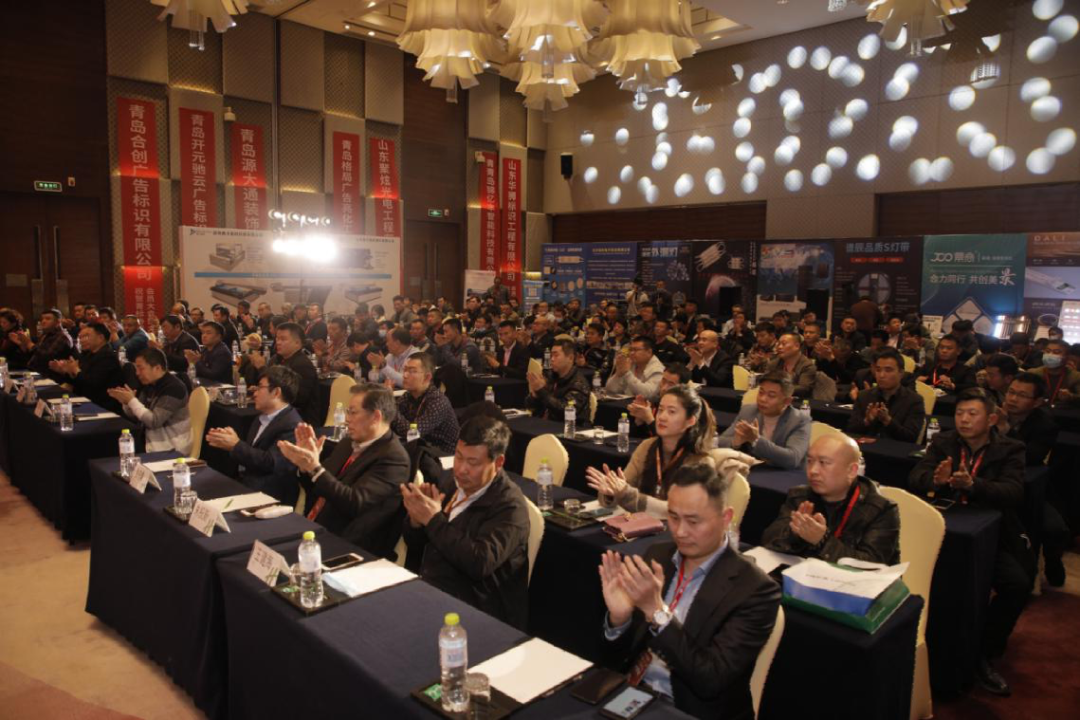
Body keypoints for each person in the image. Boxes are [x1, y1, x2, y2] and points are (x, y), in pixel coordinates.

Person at [599, 463, 781, 720]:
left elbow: (710, 679)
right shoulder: (658, 555)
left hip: (688, 709)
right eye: (673, 517)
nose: (680, 532)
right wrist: (619, 621)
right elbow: (615, 659)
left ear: (726, 518)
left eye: (694, 521)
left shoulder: (755, 590)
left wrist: (657, 612)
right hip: (635, 694)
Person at [908, 388, 1031, 696]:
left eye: (972, 414)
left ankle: (984, 652)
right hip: (944, 528)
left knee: (1017, 585)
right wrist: (936, 480)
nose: (963, 419)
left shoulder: (1010, 448)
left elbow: (1013, 492)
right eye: (959, 413)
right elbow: (916, 477)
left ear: (991, 419)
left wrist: (974, 484)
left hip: (991, 533)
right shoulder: (944, 441)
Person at [401, 416, 531, 629]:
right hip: (433, 591)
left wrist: (432, 520)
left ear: (498, 463)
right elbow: (418, 546)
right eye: (458, 457)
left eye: (473, 462)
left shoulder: (510, 507)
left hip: (480, 613)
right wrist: (416, 520)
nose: (461, 469)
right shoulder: (452, 484)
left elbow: (479, 563)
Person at [279, 384, 411, 559]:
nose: (346, 419)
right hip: (314, 529)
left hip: (350, 547)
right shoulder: (347, 443)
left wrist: (315, 468)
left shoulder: (393, 459)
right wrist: (305, 467)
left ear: (375, 417)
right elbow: (319, 488)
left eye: (353, 412)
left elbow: (354, 503)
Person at [762, 435, 900, 564]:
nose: (813, 470)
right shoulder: (800, 496)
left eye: (823, 463)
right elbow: (767, 540)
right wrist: (794, 533)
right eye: (810, 461)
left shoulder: (881, 509)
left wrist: (823, 541)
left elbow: (870, 565)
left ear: (852, 471)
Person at [588, 385, 719, 517]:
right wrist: (612, 492)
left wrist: (627, 494)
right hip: (642, 523)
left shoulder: (701, 462)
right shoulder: (647, 446)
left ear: (690, 421)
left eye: (671, 412)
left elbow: (680, 510)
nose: (662, 417)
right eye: (660, 410)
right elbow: (623, 490)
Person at [206, 366, 304, 505]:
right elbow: (253, 454)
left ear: (276, 392)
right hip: (248, 483)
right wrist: (230, 443)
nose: (254, 394)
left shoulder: (293, 425)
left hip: (271, 496)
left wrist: (236, 445)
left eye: (260, 388)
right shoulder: (261, 418)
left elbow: (271, 463)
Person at [716, 372, 811, 469]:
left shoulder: (799, 420)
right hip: (754, 470)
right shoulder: (749, 411)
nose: (763, 399)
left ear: (787, 401)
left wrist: (756, 440)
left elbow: (792, 459)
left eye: (771, 395)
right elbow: (720, 441)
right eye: (761, 392)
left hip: (786, 475)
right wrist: (735, 442)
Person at [107, 348, 191, 454]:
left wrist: (132, 401)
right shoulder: (150, 385)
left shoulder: (174, 388)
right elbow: (138, 417)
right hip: (150, 441)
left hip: (171, 448)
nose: (137, 373)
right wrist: (126, 402)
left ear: (157, 368)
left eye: (141, 368)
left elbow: (153, 422)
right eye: (136, 368)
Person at [847, 348, 926, 442]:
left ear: (901, 373)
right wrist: (867, 421)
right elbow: (850, 430)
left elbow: (911, 437)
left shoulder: (914, 401)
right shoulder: (864, 396)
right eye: (878, 370)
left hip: (896, 449)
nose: (881, 375)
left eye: (888, 370)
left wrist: (888, 421)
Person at [47, 322, 124, 412]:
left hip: (102, 406)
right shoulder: (87, 355)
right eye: (80, 337)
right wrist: (66, 372)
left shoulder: (108, 357)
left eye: (87, 336)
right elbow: (77, 382)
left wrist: (76, 370)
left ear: (100, 338)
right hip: (86, 399)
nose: (82, 340)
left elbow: (91, 385)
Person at [392, 353, 460, 453]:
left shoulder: (437, 401)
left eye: (412, 371)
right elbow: (392, 420)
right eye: (405, 370)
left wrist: (389, 407)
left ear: (427, 377)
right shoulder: (408, 396)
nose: (405, 375)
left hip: (443, 454)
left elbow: (412, 434)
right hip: (422, 449)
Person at [525, 339, 592, 421]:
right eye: (551, 356)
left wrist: (541, 391)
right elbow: (530, 407)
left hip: (571, 426)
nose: (552, 359)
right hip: (545, 423)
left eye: (556, 355)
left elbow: (564, 411)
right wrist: (535, 394)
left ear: (570, 358)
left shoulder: (579, 383)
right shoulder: (551, 376)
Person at [10, 308, 73, 376]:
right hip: (35, 371)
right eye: (42, 319)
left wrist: (28, 343)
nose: (43, 321)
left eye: (48, 319)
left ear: (58, 322)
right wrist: (22, 344)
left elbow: (46, 358)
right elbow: (34, 356)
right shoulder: (46, 335)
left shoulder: (62, 336)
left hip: (51, 375)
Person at [606, 336, 666, 402]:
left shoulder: (658, 370)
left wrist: (627, 373)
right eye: (630, 350)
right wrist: (619, 373)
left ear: (649, 352)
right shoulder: (630, 363)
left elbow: (649, 395)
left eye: (636, 350)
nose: (631, 353)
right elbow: (610, 390)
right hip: (625, 404)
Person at [763, 333, 817, 398]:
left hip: (798, 401)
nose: (779, 347)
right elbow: (765, 381)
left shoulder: (807, 365)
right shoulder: (773, 364)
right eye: (779, 344)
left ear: (797, 346)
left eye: (784, 344)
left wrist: (780, 389)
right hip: (774, 399)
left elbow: (804, 388)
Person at [1029, 338, 1080, 405]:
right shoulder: (1033, 373)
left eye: (1056, 352)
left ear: (1066, 357)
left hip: (1063, 410)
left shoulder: (1076, 377)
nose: (1050, 355)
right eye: (1047, 351)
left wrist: (1071, 397)